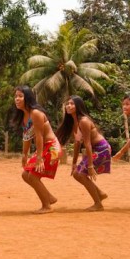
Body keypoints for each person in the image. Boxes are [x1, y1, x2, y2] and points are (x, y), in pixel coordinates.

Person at [56, 95, 110, 211]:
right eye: (68, 103)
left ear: (78, 106)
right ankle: (99, 193)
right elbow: (77, 143)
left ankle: (98, 204)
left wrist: (90, 166)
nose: (68, 106)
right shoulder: (74, 123)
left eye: (72, 104)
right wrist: (74, 163)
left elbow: (87, 144)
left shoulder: (84, 121)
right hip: (95, 149)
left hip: (101, 149)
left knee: (81, 174)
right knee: (76, 173)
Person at [13, 85, 61, 214]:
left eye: (20, 96)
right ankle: (49, 197)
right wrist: (24, 154)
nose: (17, 99)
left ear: (27, 98)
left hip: (51, 147)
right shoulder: (24, 116)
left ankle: (47, 206)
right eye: (16, 96)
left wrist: (39, 158)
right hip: (44, 148)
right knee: (25, 174)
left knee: (33, 176)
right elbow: (27, 136)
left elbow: (39, 136)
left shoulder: (35, 113)